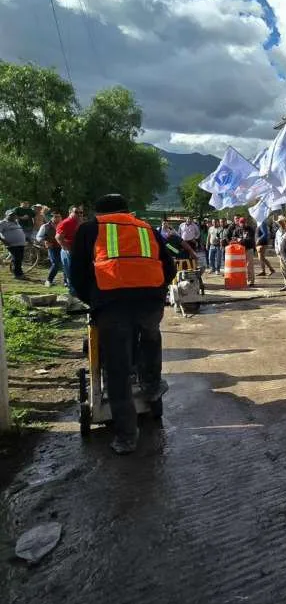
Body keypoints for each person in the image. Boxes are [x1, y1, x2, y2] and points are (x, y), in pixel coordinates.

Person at [70, 194, 175, 455]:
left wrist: (94, 301)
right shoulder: (146, 228)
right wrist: (156, 290)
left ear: (98, 213)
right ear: (128, 211)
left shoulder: (90, 229)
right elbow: (170, 267)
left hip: (112, 303)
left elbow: (77, 274)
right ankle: (152, 386)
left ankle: (127, 437)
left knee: (117, 369)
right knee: (151, 337)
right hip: (150, 301)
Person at [56, 206, 85, 296]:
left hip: (78, 251)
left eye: (81, 212)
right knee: (71, 272)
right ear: (70, 212)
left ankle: (78, 292)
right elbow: (58, 237)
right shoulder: (66, 222)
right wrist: (67, 248)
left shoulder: (80, 222)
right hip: (69, 251)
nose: (79, 214)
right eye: (76, 212)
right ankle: (73, 293)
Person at [36, 210, 63, 286]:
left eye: (59, 217)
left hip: (63, 247)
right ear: (51, 217)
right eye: (55, 217)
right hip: (52, 247)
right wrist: (44, 241)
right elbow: (38, 237)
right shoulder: (45, 226)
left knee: (65, 264)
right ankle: (49, 280)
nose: (57, 218)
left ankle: (66, 281)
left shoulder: (64, 225)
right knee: (56, 264)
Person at [0, 210, 27, 279]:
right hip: (12, 244)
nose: (13, 216)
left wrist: (26, 238)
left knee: (19, 259)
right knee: (17, 258)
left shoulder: (16, 222)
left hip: (21, 244)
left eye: (14, 215)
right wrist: (3, 240)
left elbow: (20, 231)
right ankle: (18, 274)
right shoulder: (3, 223)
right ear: (6, 215)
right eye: (11, 215)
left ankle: (19, 273)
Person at [274, 216, 286, 291]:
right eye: (279, 222)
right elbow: (276, 242)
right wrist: (277, 251)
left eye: (282, 221)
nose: (281, 223)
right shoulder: (278, 232)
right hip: (281, 253)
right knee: (283, 269)